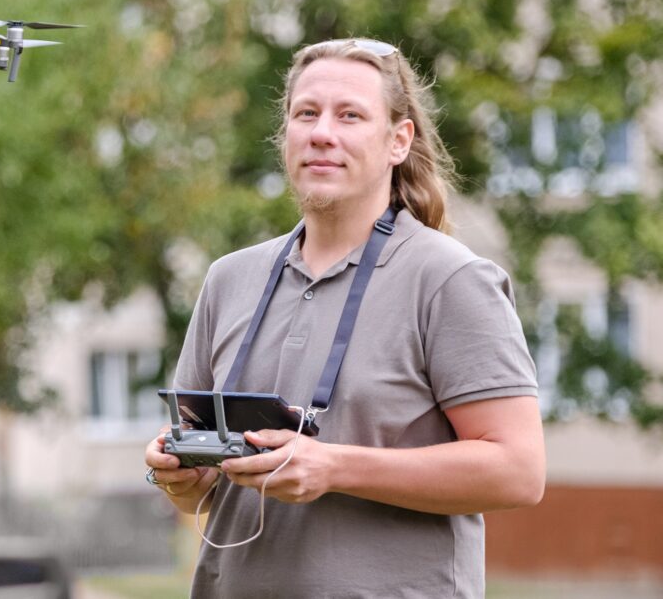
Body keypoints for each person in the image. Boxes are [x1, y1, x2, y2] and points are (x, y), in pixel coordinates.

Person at [143, 38, 545, 598]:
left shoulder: (450, 280)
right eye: (306, 113)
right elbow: (200, 492)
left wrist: (333, 467)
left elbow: (518, 472)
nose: (322, 133)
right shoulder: (229, 279)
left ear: (398, 141)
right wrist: (179, 474)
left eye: (350, 115)